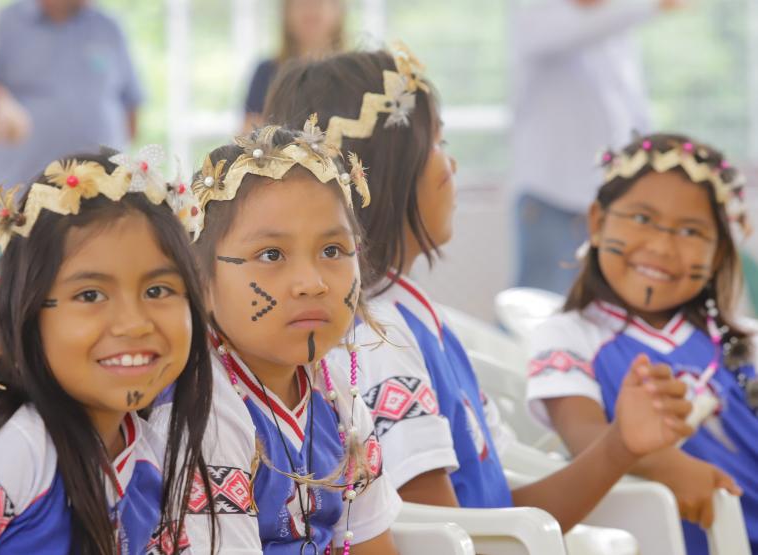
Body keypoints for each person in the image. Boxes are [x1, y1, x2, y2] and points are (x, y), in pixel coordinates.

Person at [264, 45, 694, 532]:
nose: (453, 166)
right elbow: (449, 538)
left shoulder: (408, 314)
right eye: (439, 143)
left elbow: (501, 512)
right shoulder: (377, 342)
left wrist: (620, 446)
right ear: (388, 170)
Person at [0, 149, 215, 554]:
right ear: (27, 312)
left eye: (157, 291)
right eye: (91, 294)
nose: (134, 323)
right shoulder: (16, 446)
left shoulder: (147, 454)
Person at [526, 133, 756, 554]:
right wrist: (669, 465)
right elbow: (587, 436)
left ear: (719, 253)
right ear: (597, 222)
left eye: (691, 231)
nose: (661, 247)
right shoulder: (569, 336)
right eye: (642, 219)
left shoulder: (743, 341)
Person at [182, 124, 401, 553]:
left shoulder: (338, 394)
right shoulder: (204, 409)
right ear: (201, 281)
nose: (310, 283)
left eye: (333, 251)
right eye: (271, 255)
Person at [510, 0, 683, 293]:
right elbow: (580, 30)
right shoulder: (538, 16)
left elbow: (630, 113)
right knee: (538, 309)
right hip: (552, 201)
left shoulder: (616, 40)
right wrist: (650, 6)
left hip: (606, 203)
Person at [0, 0, 144, 191]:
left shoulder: (109, 27)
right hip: (21, 192)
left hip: (100, 194)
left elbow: (131, 103)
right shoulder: (3, 23)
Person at [242, 0, 344, 132]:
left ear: (338, 9)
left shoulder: (355, 75)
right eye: (301, 3)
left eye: (319, 2)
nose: (310, 9)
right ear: (286, 12)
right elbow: (249, 133)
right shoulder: (266, 72)